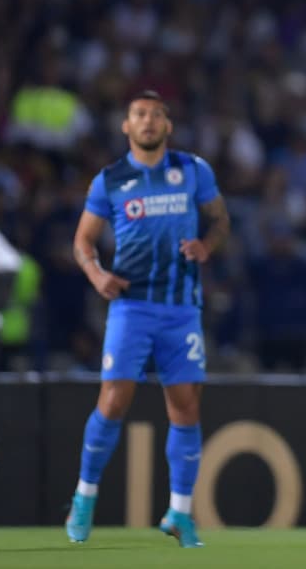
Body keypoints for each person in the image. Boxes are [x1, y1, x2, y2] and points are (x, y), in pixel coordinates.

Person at [64, 91, 230, 548]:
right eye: (140, 114)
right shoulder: (110, 180)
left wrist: (207, 246)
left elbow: (220, 220)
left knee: (186, 407)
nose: (149, 121)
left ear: (168, 125)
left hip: (181, 309)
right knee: (114, 401)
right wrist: (96, 274)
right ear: (126, 125)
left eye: (157, 114)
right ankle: (84, 496)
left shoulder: (193, 170)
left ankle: (179, 513)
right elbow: (83, 242)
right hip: (132, 306)